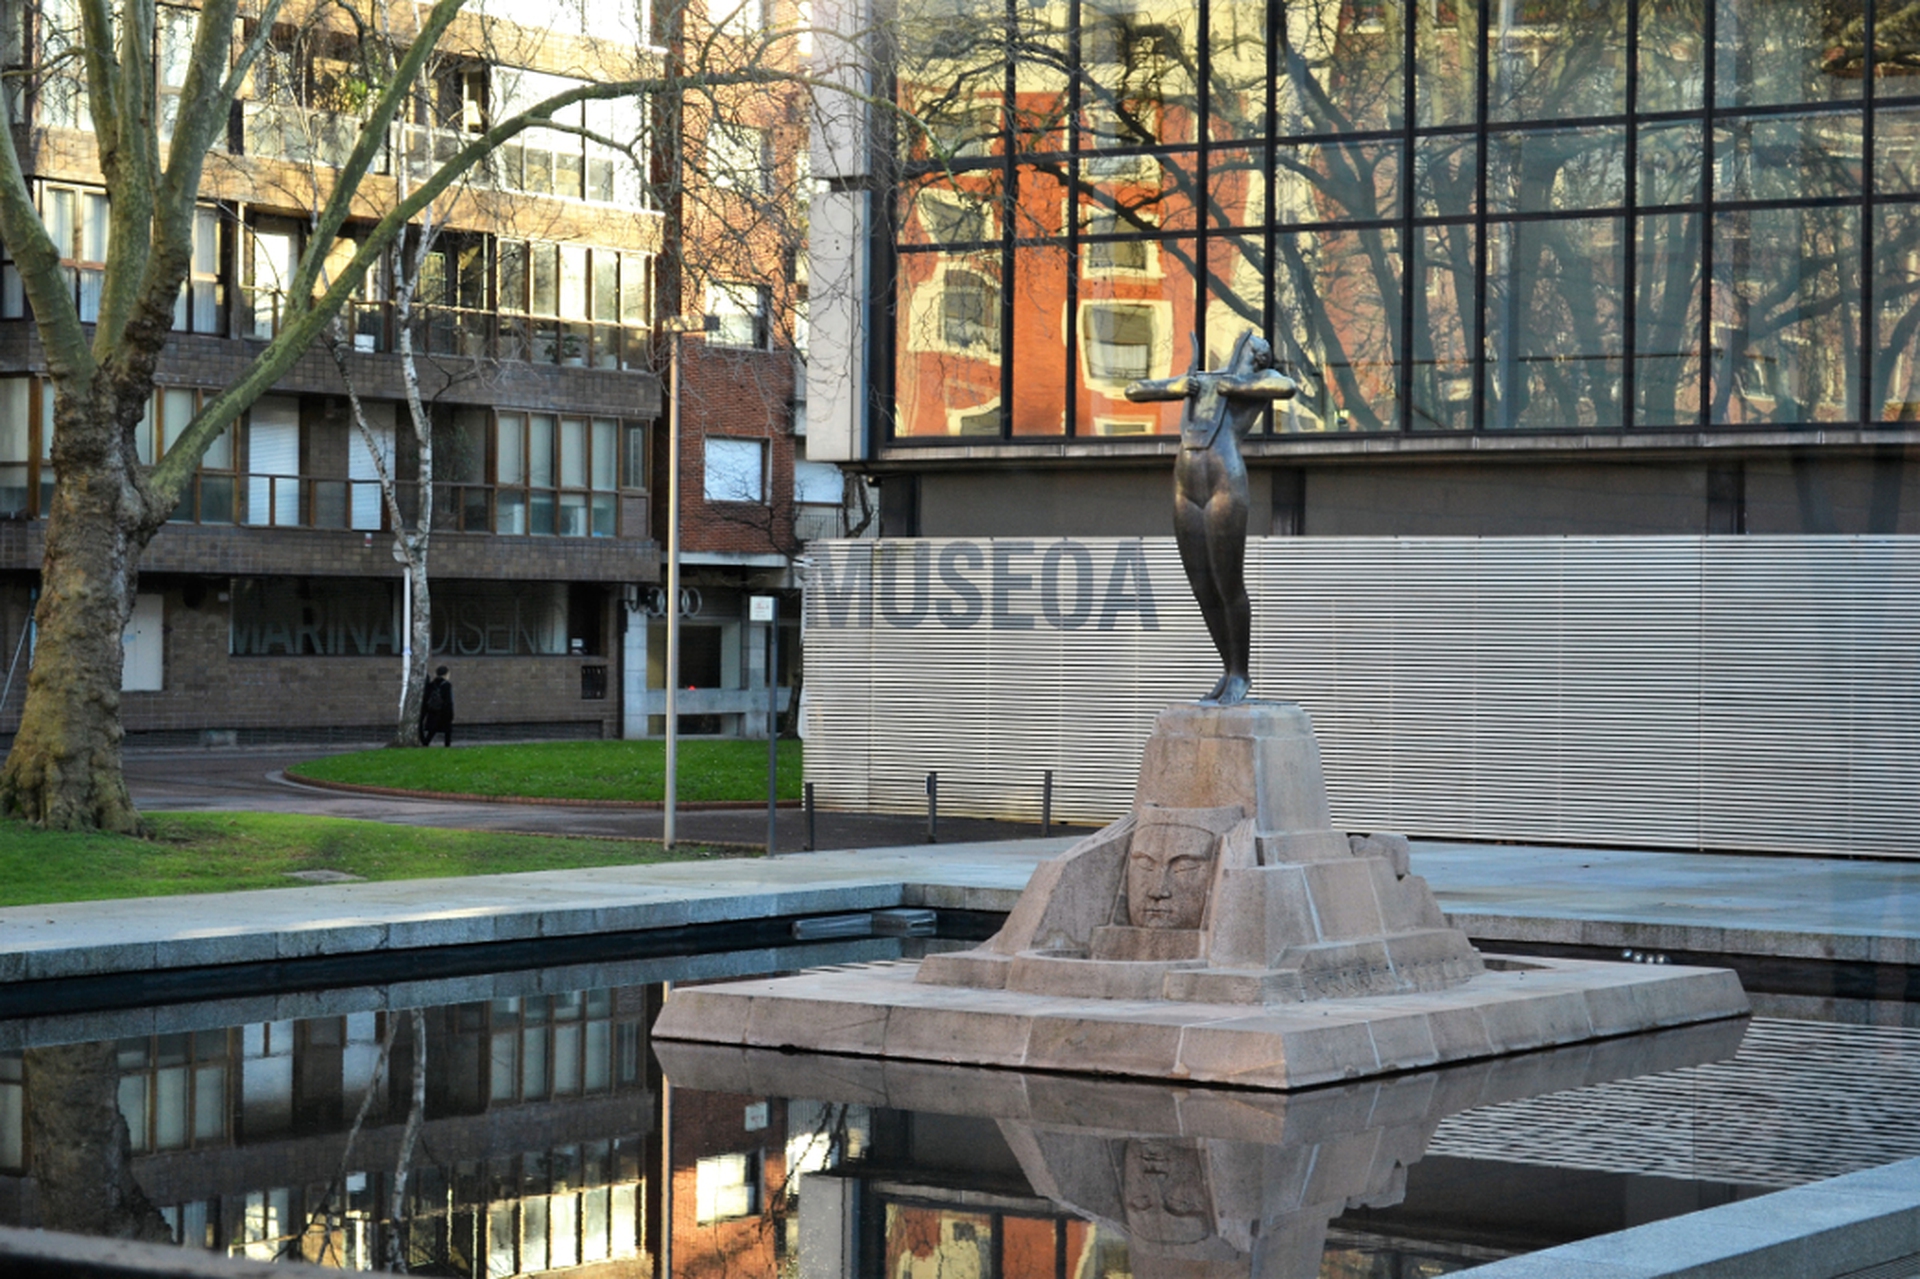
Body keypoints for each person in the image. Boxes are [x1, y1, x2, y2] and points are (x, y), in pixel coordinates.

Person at [1126, 330, 1296, 705]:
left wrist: (1234, 384)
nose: (1262, 356)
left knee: (1227, 582)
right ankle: (1226, 666)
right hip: (1185, 486)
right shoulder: (1203, 382)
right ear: (1241, 347)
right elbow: (1134, 389)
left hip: (1224, 483)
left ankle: (1240, 672)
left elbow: (1287, 387)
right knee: (1202, 586)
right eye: (1258, 349)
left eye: (1265, 354)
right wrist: (1180, 386)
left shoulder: (1252, 385)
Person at [418, 665, 454, 747]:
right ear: (446, 674)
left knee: (433, 729)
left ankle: (426, 742)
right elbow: (448, 700)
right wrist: (450, 712)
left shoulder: (432, 684)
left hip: (433, 710)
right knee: (447, 729)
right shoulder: (446, 685)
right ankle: (447, 745)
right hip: (444, 711)